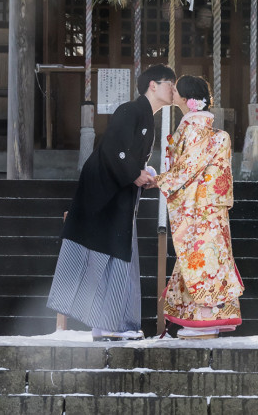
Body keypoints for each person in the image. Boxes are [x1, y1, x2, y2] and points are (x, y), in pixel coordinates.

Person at [47, 64, 174, 340]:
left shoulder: (146, 118)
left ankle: (118, 324)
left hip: (119, 191)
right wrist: (134, 173)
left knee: (120, 255)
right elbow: (113, 150)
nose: (173, 91)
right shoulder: (130, 110)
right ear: (153, 85)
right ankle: (107, 325)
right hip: (103, 192)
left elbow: (129, 157)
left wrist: (145, 173)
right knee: (107, 254)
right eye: (169, 84)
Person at [155, 74, 243, 336]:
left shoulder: (194, 128)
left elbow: (186, 168)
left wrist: (158, 181)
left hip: (197, 208)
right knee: (206, 260)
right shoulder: (205, 128)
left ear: (184, 98)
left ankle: (205, 320)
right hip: (209, 209)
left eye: (176, 90)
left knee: (200, 261)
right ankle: (209, 318)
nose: (171, 92)